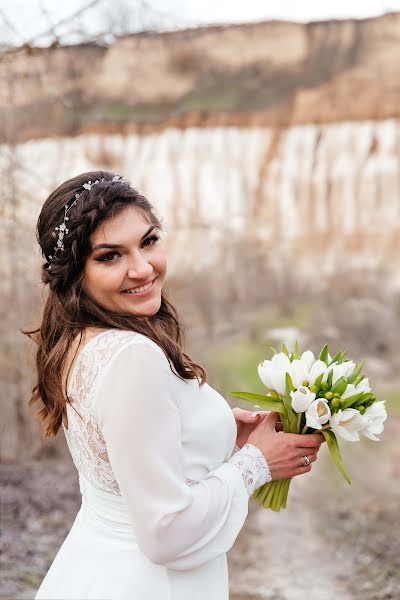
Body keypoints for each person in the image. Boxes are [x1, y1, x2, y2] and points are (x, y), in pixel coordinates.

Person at [28, 171, 324, 600]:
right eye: (110, 256)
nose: (142, 268)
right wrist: (257, 463)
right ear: (76, 273)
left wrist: (217, 434)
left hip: (92, 568)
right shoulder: (131, 355)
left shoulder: (78, 340)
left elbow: (127, 458)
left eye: (148, 241)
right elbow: (165, 532)